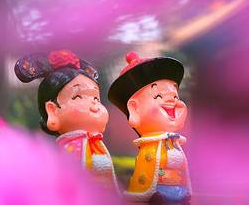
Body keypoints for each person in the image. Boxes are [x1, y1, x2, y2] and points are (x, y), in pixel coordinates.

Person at [15, 50, 117, 188]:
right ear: (53, 111)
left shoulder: (96, 145)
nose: (94, 104)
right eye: (77, 97)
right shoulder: (69, 151)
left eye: (96, 98)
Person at [108, 52, 191, 203]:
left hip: (179, 190)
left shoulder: (174, 142)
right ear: (134, 109)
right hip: (159, 193)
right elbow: (148, 172)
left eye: (175, 96)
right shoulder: (151, 148)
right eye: (158, 96)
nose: (172, 101)